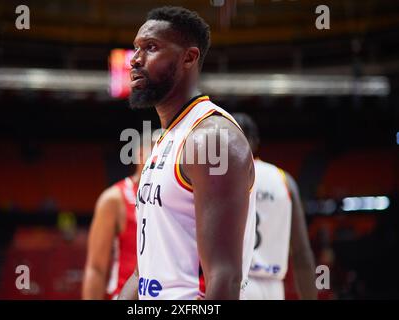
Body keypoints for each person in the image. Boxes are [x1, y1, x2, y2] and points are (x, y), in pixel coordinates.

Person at [119, 6, 256, 300]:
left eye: (151, 47)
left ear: (189, 57)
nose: (135, 59)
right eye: (136, 49)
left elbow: (225, 277)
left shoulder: (212, 139)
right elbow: (145, 269)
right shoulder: (165, 141)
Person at [232, 113, 317, 300]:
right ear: (255, 141)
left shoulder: (220, 178)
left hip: (235, 285)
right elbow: (302, 253)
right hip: (273, 289)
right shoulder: (284, 180)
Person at [82, 142, 151, 300]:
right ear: (140, 155)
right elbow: (96, 268)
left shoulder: (174, 196)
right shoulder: (114, 199)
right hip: (124, 294)